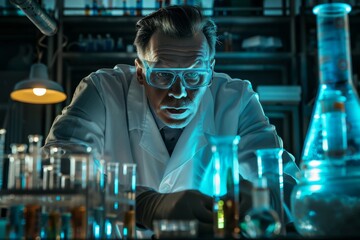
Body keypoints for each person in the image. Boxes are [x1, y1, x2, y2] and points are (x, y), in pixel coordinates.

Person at [44, 5, 299, 237]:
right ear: (141, 72)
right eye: (164, 75)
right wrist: (141, 204)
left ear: (210, 72)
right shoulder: (102, 91)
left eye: (194, 76)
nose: (179, 91)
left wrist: (264, 198)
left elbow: (290, 184)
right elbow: (54, 172)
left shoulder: (237, 99)